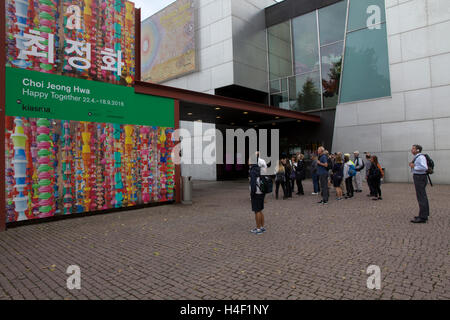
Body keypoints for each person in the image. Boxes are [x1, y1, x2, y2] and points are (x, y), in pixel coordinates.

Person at [409, 145, 429, 223]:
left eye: (413, 148)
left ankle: (423, 217)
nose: (411, 150)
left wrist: (414, 166)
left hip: (420, 177)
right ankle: (424, 215)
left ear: (417, 150)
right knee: (422, 196)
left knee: (421, 197)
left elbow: (424, 167)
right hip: (419, 177)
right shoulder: (418, 157)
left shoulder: (420, 157)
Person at [249, 154, 266, 234]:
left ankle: (258, 229)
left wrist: (251, 194)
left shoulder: (252, 170)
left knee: (257, 211)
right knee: (260, 210)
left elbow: (252, 184)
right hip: (262, 191)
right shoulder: (259, 169)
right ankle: (262, 227)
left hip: (256, 192)